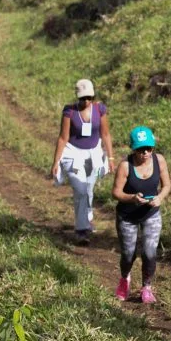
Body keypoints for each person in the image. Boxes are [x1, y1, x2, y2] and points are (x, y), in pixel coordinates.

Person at [50, 79, 115, 244]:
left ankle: (87, 218)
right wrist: (56, 161)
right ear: (77, 97)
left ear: (93, 96)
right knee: (80, 189)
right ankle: (81, 229)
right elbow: (63, 137)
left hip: (94, 153)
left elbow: (105, 134)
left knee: (89, 188)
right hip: (73, 153)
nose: (86, 101)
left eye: (89, 97)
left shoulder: (100, 110)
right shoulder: (69, 112)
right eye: (82, 98)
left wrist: (111, 157)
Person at [111, 126, 171, 304]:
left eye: (149, 148)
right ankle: (125, 278)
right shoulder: (125, 166)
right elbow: (116, 193)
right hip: (127, 215)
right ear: (133, 148)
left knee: (149, 252)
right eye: (140, 149)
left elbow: (167, 185)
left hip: (151, 213)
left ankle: (147, 287)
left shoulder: (159, 160)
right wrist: (132, 198)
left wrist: (160, 197)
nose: (145, 153)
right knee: (128, 254)